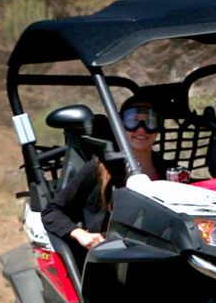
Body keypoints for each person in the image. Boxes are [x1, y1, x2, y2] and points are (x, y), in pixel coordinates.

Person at [41, 95, 169, 252]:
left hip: (162, 251)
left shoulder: (169, 171)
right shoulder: (101, 168)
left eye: (149, 121)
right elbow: (51, 212)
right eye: (132, 121)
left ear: (158, 128)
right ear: (120, 125)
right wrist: (81, 234)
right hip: (114, 255)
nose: (141, 129)